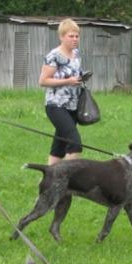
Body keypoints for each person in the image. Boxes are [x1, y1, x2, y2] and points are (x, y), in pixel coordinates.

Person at [39, 18, 85, 165]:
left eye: (77, 36)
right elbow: (43, 81)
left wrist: (81, 78)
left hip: (73, 106)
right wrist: (68, 81)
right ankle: (66, 177)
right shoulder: (54, 56)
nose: (75, 39)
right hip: (56, 106)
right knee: (75, 143)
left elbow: (75, 74)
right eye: (71, 36)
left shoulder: (76, 54)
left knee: (59, 147)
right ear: (61, 37)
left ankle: (48, 178)